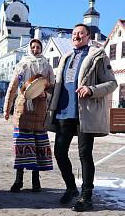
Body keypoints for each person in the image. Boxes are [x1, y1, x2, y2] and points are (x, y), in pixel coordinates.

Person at [44, 23, 117, 212]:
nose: (76, 36)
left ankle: (87, 196)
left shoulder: (98, 56)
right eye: (74, 33)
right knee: (59, 152)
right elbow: (60, 86)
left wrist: (91, 89)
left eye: (81, 34)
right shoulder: (66, 58)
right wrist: (46, 88)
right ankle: (71, 188)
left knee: (85, 155)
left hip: (85, 114)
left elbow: (111, 83)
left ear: (88, 36)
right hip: (63, 112)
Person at [3, 39, 54, 193]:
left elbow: (53, 86)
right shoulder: (22, 65)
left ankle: (35, 181)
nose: (35, 50)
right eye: (33, 47)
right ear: (29, 49)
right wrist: (7, 108)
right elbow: (12, 88)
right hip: (23, 109)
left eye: (38, 47)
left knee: (37, 147)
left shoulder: (47, 66)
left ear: (41, 49)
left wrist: (46, 92)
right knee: (21, 146)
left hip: (39, 111)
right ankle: (18, 181)